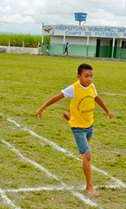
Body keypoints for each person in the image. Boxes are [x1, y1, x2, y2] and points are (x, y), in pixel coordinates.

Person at [36, 63, 114, 196]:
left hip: (89, 125)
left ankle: (69, 118)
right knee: (87, 156)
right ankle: (89, 186)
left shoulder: (92, 87)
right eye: (86, 76)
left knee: (85, 150)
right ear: (78, 76)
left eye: (91, 76)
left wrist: (107, 111)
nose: (89, 79)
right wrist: (41, 108)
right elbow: (56, 97)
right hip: (78, 128)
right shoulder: (73, 88)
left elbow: (96, 98)